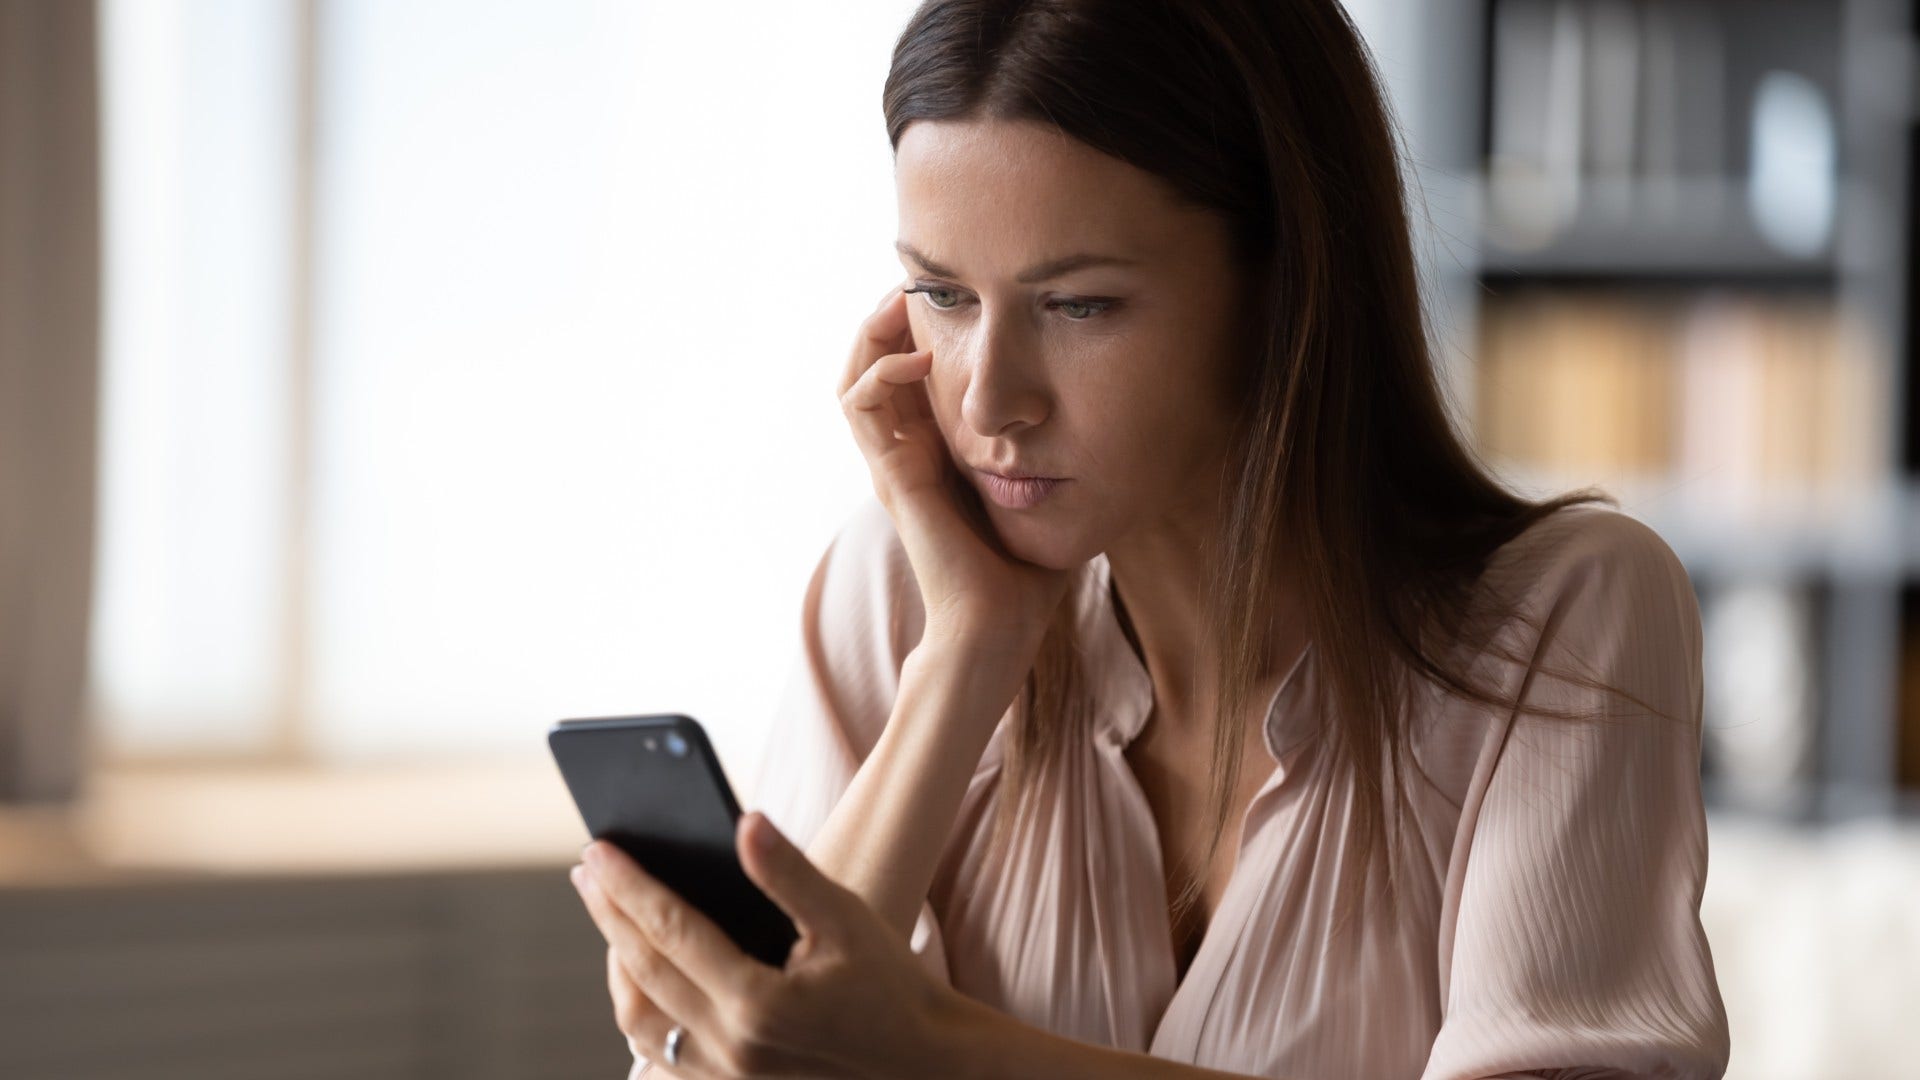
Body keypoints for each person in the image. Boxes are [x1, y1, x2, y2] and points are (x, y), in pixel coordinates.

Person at [567, 1, 1733, 1077]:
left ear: (1285, 286)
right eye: (943, 296)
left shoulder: (1566, 615)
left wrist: (931, 1049)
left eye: (1078, 306)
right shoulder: (902, 593)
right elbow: (750, 1055)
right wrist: (969, 653)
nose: (986, 403)